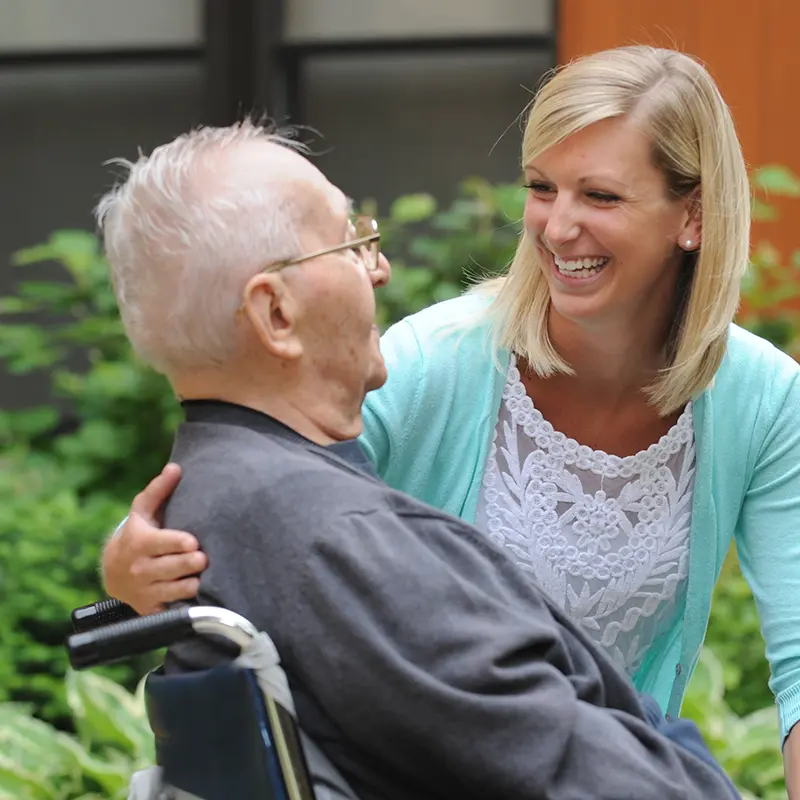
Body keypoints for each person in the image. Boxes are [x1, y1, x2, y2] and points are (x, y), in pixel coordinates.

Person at [104, 45, 800, 789]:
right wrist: (128, 563)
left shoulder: (763, 399)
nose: (558, 227)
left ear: (691, 215)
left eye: (600, 197)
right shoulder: (432, 362)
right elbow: (274, 502)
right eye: (542, 188)